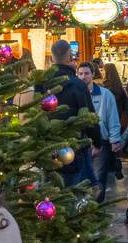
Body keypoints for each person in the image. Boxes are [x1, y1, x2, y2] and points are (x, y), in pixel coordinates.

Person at [42, 39, 102, 187]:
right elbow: (88, 116)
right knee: (72, 191)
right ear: (70, 58)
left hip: (45, 147)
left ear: (51, 58)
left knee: (49, 191)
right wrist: (97, 141)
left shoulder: (41, 83)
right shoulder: (77, 85)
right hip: (73, 148)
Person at [79, 62, 122, 202]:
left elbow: (112, 118)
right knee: (81, 177)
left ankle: (97, 209)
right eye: (80, 73)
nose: (83, 77)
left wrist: (115, 140)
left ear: (92, 75)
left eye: (86, 73)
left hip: (100, 141)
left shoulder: (105, 95)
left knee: (98, 178)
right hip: (79, 143)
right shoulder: (76, 94)